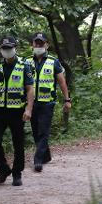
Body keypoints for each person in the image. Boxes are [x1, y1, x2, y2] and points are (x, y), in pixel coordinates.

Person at [0, 36, 35, 186]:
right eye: (4, 48)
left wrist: (28, 109)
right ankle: (3, 170)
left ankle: (17, 173)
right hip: (0, 111)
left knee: (18, 143)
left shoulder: (24, 66)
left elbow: (30, 90)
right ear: (1, 50)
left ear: (15, 48)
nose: (7, 51)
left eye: (9, 48)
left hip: (17, 111)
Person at [25, 32, 71, 172]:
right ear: (32, 44)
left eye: (41, 43)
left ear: (47, 45)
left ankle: (37, 160)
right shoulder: (26, 62)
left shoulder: (53, 61)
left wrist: (67, 100)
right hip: (32, 103)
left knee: (43, 131)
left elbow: (62, 82)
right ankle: (46, 156)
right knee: (35, 131)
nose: (38, 45)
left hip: (47, 103)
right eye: (36, 43)